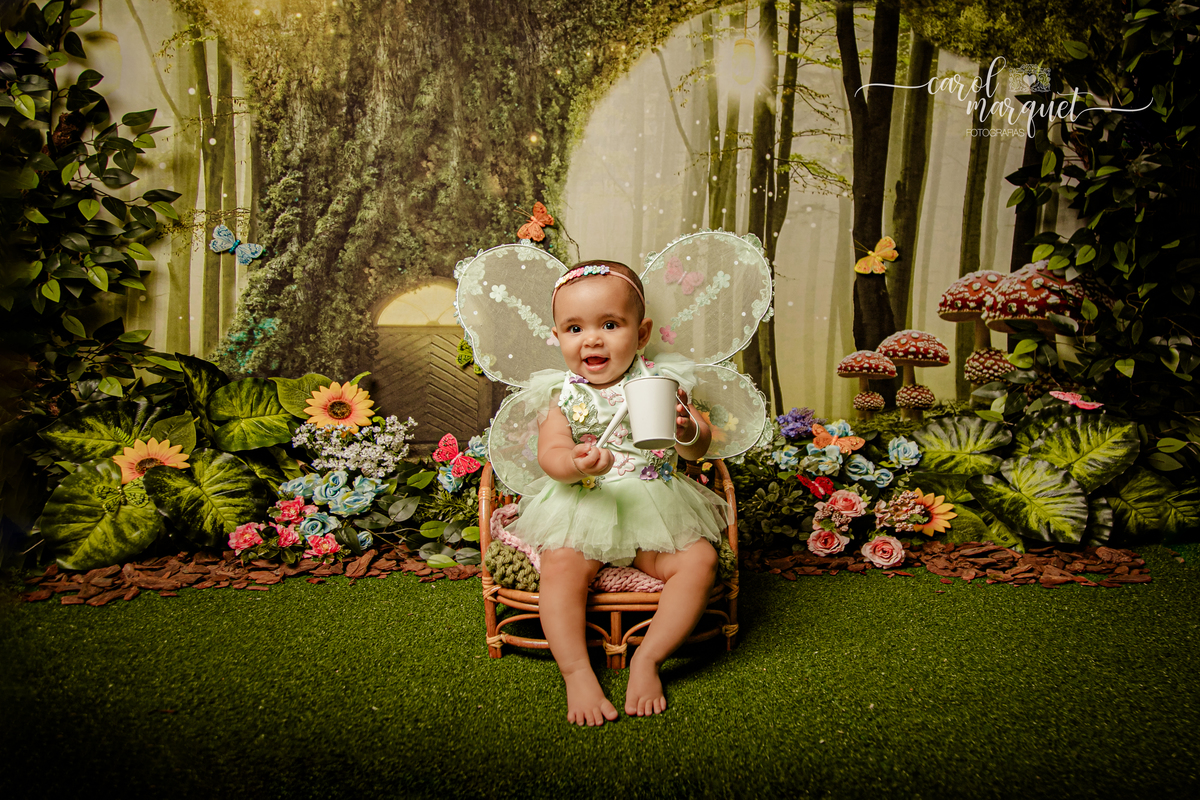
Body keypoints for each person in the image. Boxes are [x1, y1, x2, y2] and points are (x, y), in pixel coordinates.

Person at [507, 260, 731, 727]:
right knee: (561, 565)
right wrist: (574, 463)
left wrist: (688, 429)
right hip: (586, 505)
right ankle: (576, 672)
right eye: (574, 328)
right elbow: (551, 454)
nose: (592, 339)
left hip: (655, 505)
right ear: (558, 336)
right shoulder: (564, 395)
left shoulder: (659, 383)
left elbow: (697, 451)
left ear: (642, 332)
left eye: (610, 324)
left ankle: (649, 659)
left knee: (699, 562)